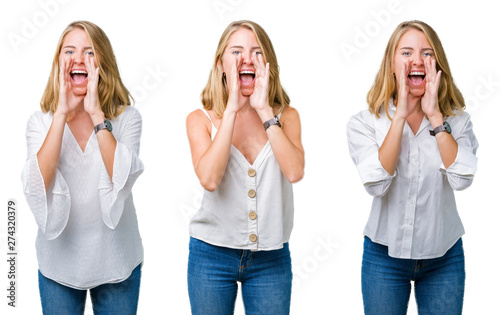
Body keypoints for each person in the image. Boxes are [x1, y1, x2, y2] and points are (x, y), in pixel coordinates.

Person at [347, 20, 478, 314]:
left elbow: (462, 179)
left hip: (444, 257)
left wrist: (434, 116)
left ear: (437, 65)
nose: (417, 60)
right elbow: (377, 185)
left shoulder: (457, 121)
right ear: (391, 64)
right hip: (384, 258)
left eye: (427, 53)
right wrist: (400, 116)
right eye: (406, 53)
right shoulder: (365, 123)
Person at [21, 21, 144, 314]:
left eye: (89, 52)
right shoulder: (40, 122)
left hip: (117, 262)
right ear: (59, 62)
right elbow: (39, 184)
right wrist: (62, 112)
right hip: (59, 267)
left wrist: (95, 113)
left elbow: (122, 176)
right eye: (70, 51)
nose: (78, 59)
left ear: (102, 62)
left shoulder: (128, 119)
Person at [186, 20, 304, 315]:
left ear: (267, 64)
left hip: (271, 260)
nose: (247, 59)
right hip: (210, 256)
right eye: (236, 51)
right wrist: (231, 111)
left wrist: (264, 111)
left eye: (256, 52)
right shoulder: (200, 119)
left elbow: (295, 172)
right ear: (220, 65)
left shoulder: (286, 116)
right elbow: (209, 179)